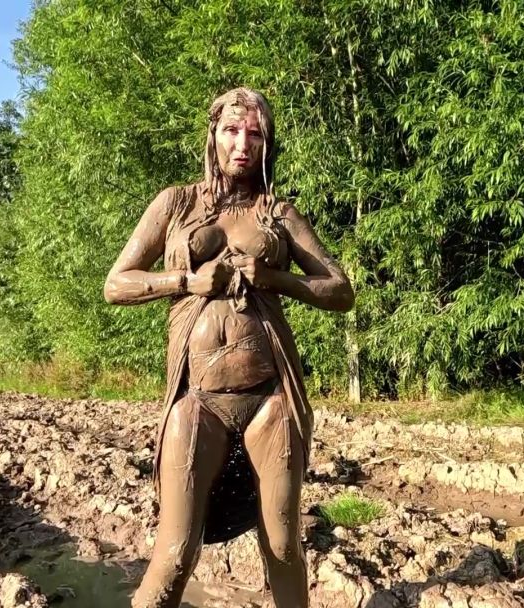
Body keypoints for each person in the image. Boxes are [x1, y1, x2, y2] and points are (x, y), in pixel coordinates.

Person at [104, 87, 354, 608]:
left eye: (255, 134)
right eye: (232, 130)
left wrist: (275, 278)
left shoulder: (279, 213)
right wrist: (185, 281)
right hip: (196, 401)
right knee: (175, 553)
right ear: (213, 135)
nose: (243, 144)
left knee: (283, 544)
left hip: (271, 400)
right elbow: (117, 284)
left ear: (267, 144)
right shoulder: (175, 203)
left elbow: (340, 290)